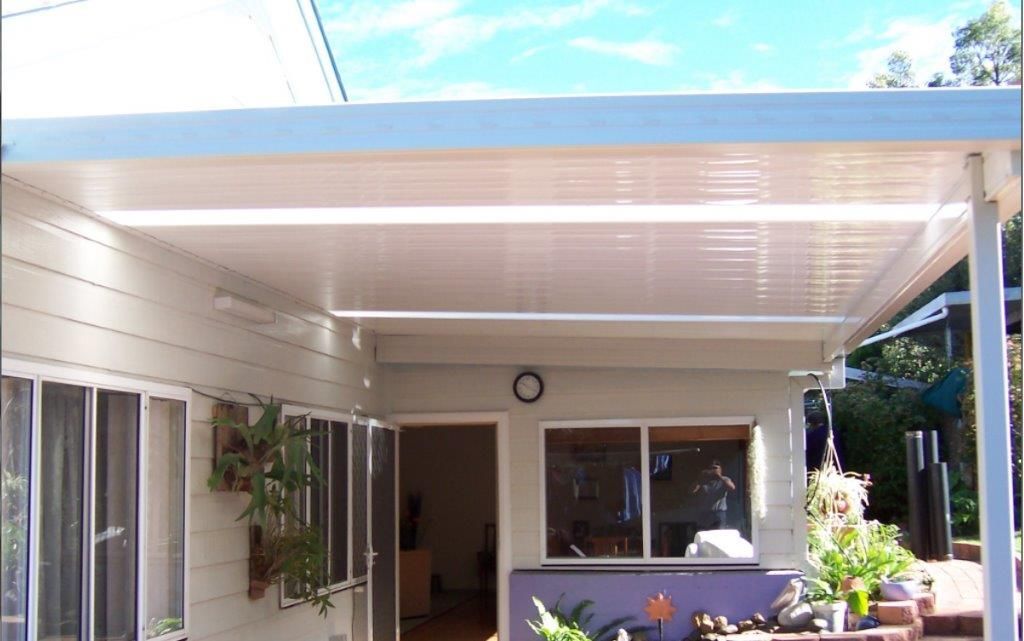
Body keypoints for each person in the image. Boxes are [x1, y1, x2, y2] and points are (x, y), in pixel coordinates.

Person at [690, 459, 735, 529]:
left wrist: (719, 476)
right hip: (706, 513)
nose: (713, 470)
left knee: (719, 533)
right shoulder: (704, 481)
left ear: (720, 469)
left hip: (719, 512)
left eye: (715, 468)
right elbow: (692, 491)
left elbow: (732, 488)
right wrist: (700, 478)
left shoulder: (725, 479)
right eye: (711, 468)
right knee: (705, 533)